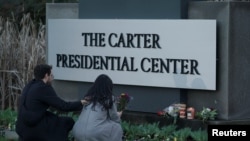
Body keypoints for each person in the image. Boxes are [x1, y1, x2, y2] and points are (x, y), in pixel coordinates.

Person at [15, 64, 88, 141]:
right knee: (67, 122)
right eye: (51, 75)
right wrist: (81, 103)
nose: (52, 78)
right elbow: (63, 106)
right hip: (34, 128)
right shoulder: (43, 88)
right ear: (46, 75)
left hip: (22, 127)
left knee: (54, 119)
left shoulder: (30, 85)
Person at [72, 74, 123, 141]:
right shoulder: (109, 98)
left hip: (76, 131)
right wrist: (119, 115)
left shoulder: (88, 97)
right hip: (93, 134)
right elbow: (114, 118)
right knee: (117, 127)